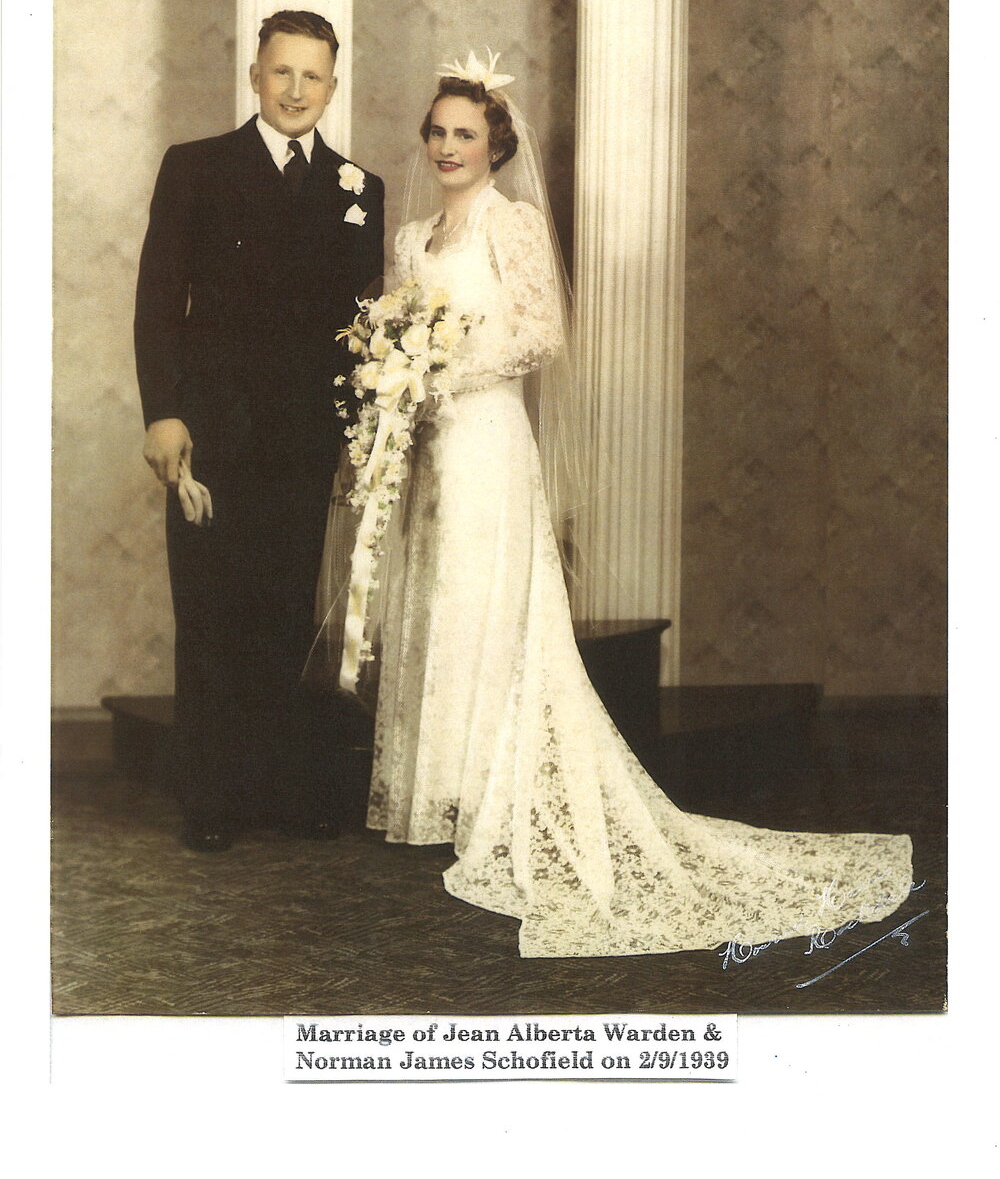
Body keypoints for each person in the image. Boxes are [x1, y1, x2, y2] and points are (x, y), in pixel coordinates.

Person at [358, 50, 913, 957]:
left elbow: (541, 334)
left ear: (496, 148)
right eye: (439, 133)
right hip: (428, 452)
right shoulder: (412, 241)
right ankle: (448, 790)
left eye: (468, 135)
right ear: (425, 141)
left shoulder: (515, 226)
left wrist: (438, 373)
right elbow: (393, 328)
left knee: (489, 607)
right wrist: (397, 382)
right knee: (435, 605)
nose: (450, 147)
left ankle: (501, 797)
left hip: (490, 441)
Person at [135, 10, 384, 852]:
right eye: (282, 73)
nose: (296, 91)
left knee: (283, 611)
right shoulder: (198, 167)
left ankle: (279, 785)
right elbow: (159, 300)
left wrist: (356, 436)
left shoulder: (358, 189)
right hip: (212, 430)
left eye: (313, 77)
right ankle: (213, 797)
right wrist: (164, 411)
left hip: (303, 438)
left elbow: (360, 329)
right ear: (255, 77)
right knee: (211, 607)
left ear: (332, 87)